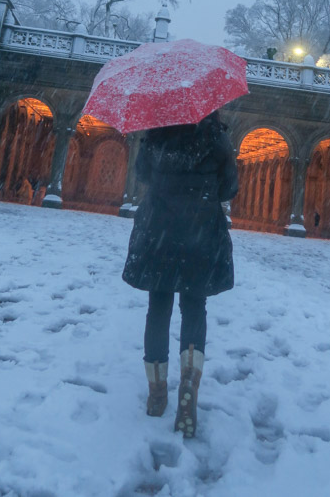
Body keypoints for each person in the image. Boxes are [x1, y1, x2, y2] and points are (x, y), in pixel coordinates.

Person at [122, 111, 238, 438]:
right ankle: (189, 383)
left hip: (159, 231)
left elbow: (142, 174)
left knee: (158, 310)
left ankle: (157, 392)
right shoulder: (216, 137)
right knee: (194, 308)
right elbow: (229, 188)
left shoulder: (157, 131)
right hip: (199, 233)